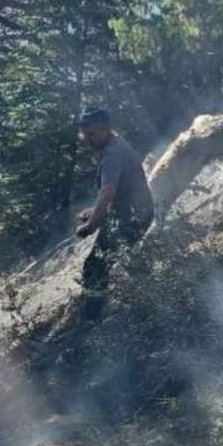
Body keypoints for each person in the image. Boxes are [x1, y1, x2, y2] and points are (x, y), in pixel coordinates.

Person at [74, 107, 155, 321]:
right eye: (84, 134)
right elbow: (120, 191)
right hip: (137, 213)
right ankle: (152, 294)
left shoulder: (111, 154)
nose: (86, 139)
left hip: (130, 217)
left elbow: (108, 191)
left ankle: (91, 320)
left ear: (104, 129)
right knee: (123, 257)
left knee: (95, 265)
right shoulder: (117, 145)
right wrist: (94, 212)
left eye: (90, 134)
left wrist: (91, 224)